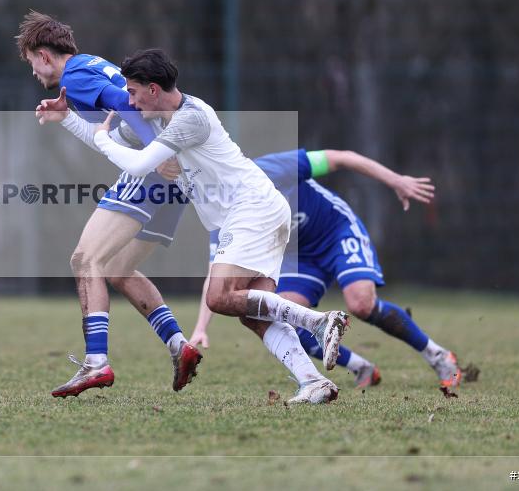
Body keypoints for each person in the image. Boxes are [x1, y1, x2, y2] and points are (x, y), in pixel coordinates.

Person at [60, 48, 349, 404]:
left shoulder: (190, 118)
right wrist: (66, 119)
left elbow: (135, 165)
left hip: (252, 210)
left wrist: (106, 140)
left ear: (153, 89)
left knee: (218, 298)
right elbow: (115, 143)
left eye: (132, 92)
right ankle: (313, 381)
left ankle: (319, 323)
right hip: (260, 213)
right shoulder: (158, 119)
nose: (128, 103)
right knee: (253, 314)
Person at [16, 12, 201, 397]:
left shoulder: (75, 77)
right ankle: (178, 345)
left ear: (45, 56)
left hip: (154, 172)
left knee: (85, 260)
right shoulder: (89, 67)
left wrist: (156, 151)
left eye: (31, 61)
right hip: (175, 179)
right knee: (117, 269)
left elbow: (127, 105)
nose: (33, 71)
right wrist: (66, 118)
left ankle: (96, 364)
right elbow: (111, 131)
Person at [189, 148, 463, 389]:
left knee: (361, 304)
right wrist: (201, 327)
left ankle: (439, 357)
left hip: (336, 231)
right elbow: (216, 278)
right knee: (283, 318)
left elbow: (343, 158)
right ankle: (361, 367)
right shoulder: (222, 216)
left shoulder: (274, 169)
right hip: (300, 257)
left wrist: (396, 181)